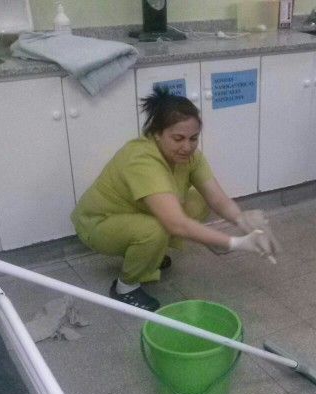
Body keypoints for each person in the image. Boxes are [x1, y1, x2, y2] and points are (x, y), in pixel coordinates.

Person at [71, 87, 280, 311]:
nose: (187, 147)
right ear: (157, 133)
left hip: (134, 213)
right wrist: (236, 243)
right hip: (99, 222)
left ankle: (151, 254)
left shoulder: (190, 157)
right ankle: (125, 287)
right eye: (178, 138)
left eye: (193, 138)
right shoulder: (141, 159)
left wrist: (243, 220)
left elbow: (217, 200)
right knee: (155, 229)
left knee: (197, 202)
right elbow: (176, 224)